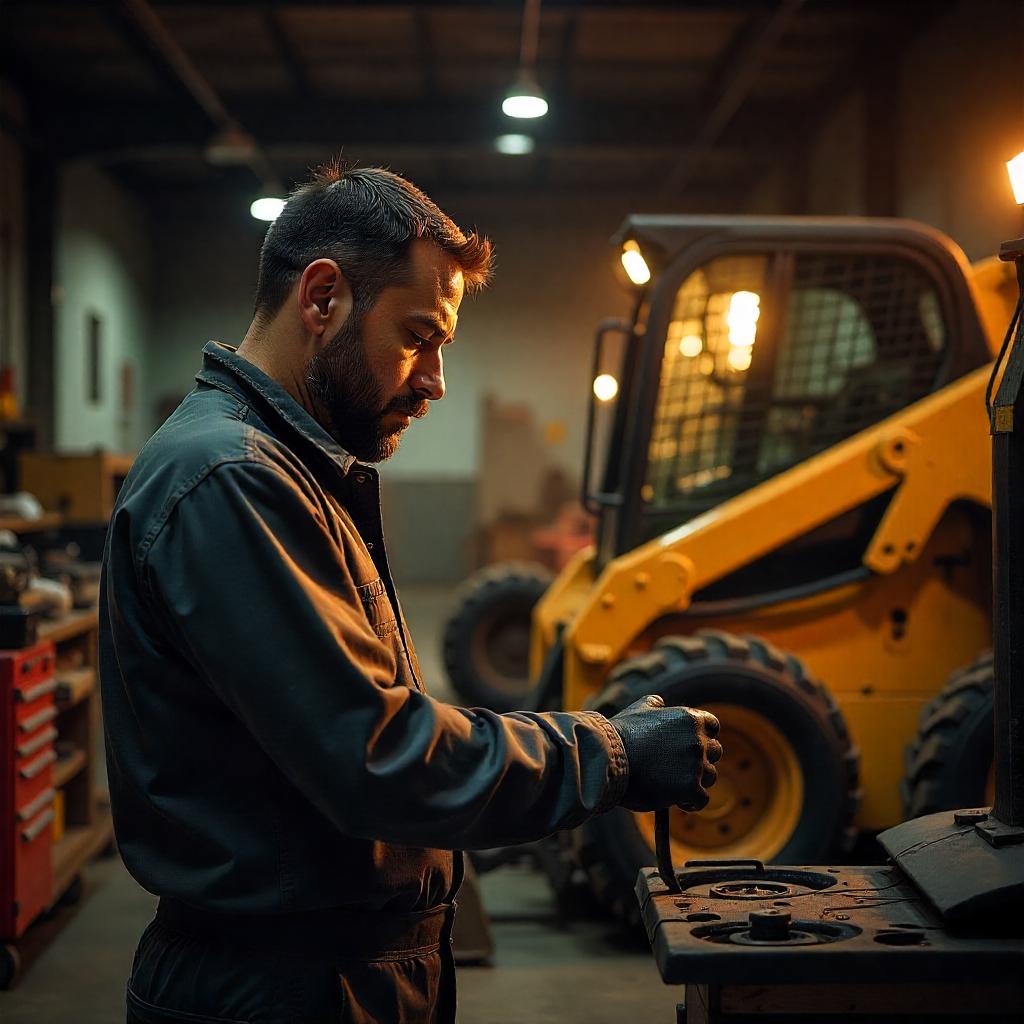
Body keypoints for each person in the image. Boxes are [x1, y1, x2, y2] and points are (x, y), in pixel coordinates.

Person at [100, 161, 723, 1024]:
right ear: (322, 299)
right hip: (280, 992)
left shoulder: (286, 469)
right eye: (416, 337)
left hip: (330, 972)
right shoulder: (230, 481)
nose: (432, 380)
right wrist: (609, 755)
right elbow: (379, 755)